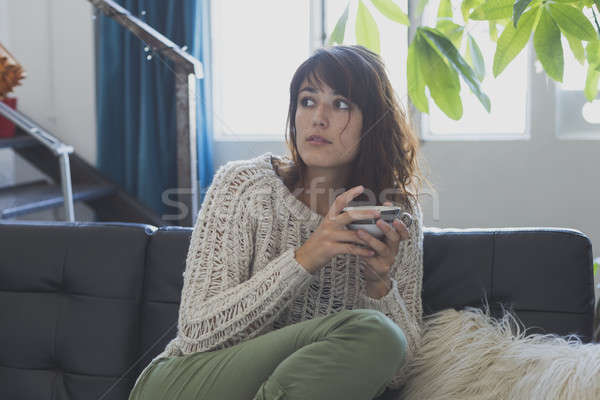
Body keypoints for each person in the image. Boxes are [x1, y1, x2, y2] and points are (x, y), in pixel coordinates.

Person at [128, 44, 430, 400]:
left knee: (380, 335)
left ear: (372, 122)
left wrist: (379, 284)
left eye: (341, 104)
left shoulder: (396, 213)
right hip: (186, 382)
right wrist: (307, 257)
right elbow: (197, 333)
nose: (318, 118)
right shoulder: (243, 185)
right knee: (371, 331)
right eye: (307, 100)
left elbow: (399, 369)